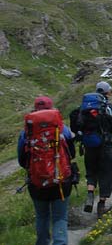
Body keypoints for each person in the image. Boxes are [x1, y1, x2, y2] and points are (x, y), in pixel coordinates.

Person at [18, 96, 76, 245]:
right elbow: (72, 153)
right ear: (51, 108)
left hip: (37, 182)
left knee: (42, 216)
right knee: (60, 217)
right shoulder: (62, 128)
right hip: (61, 180)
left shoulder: (27, 132)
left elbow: (22, 160)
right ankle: (60, 242)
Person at [79, 81, 112, 218]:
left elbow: (78, 125)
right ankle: (101, 205)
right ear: (107, 93)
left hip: (89, 145)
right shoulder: (108, 108)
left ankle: (90, 193)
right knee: (106, 173)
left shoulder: (84, 108)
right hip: (105, 145)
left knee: (91, 170)